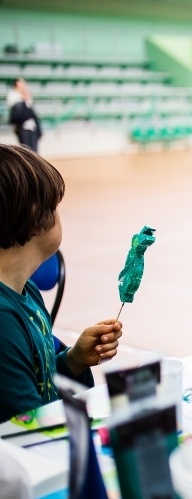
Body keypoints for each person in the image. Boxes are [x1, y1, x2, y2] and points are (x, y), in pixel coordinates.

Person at [0, 144, 123, 422]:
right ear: (33, 220)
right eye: (54, 206)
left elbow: (40, 382)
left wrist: (73, 360)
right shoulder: (4, 320)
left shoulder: (26, 289)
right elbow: (28, 424)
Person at [6, 78, 42, 153]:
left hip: (32, 127)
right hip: (22, 128)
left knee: (34, 151)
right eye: (22, 84)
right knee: (27, 151)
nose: (24, 86)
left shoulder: (25, 96)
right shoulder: (13, 96)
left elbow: (33, 114)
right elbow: (19, 113)